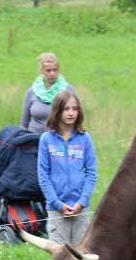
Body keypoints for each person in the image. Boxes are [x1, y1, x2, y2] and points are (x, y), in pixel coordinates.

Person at [37, 90, 97, 244]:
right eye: (66, 109)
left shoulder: (85, 139)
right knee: (59, 258)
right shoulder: (46, 139)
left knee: (80, 257)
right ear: (57, 111)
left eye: (75, 109)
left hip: (81, 209)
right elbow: (43, 175)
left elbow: (91, 172)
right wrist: (57, 204)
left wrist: (81, 202)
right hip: (57, 210)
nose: (71, 113)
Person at [20, 52, 74, 135]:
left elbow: (76, 117)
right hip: (34, 140)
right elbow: (24, 123)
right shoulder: (32, 91)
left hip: (59, 139)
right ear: (42, 71)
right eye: (48, 70)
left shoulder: (68, 90)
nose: (52, 74)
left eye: (55, 70)